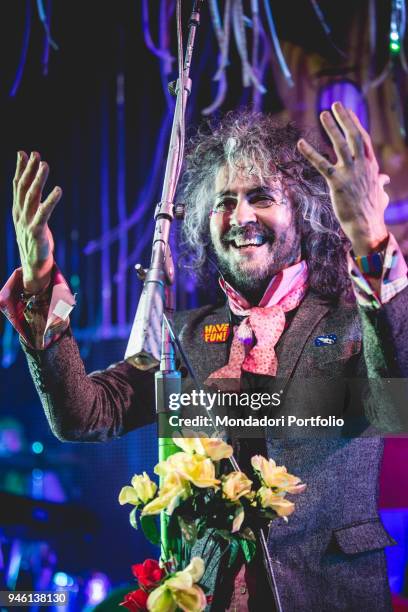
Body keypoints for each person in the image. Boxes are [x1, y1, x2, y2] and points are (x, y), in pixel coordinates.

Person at [1, 101, 408, 611]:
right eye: (223, 202)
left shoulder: (351, 324)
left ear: (300, 212)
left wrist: (372, 239)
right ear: (202, 221)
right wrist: (42, 288)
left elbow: (398, 406)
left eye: (260, 197)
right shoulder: (183, 337)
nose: (240, 216)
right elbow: (84, 415)